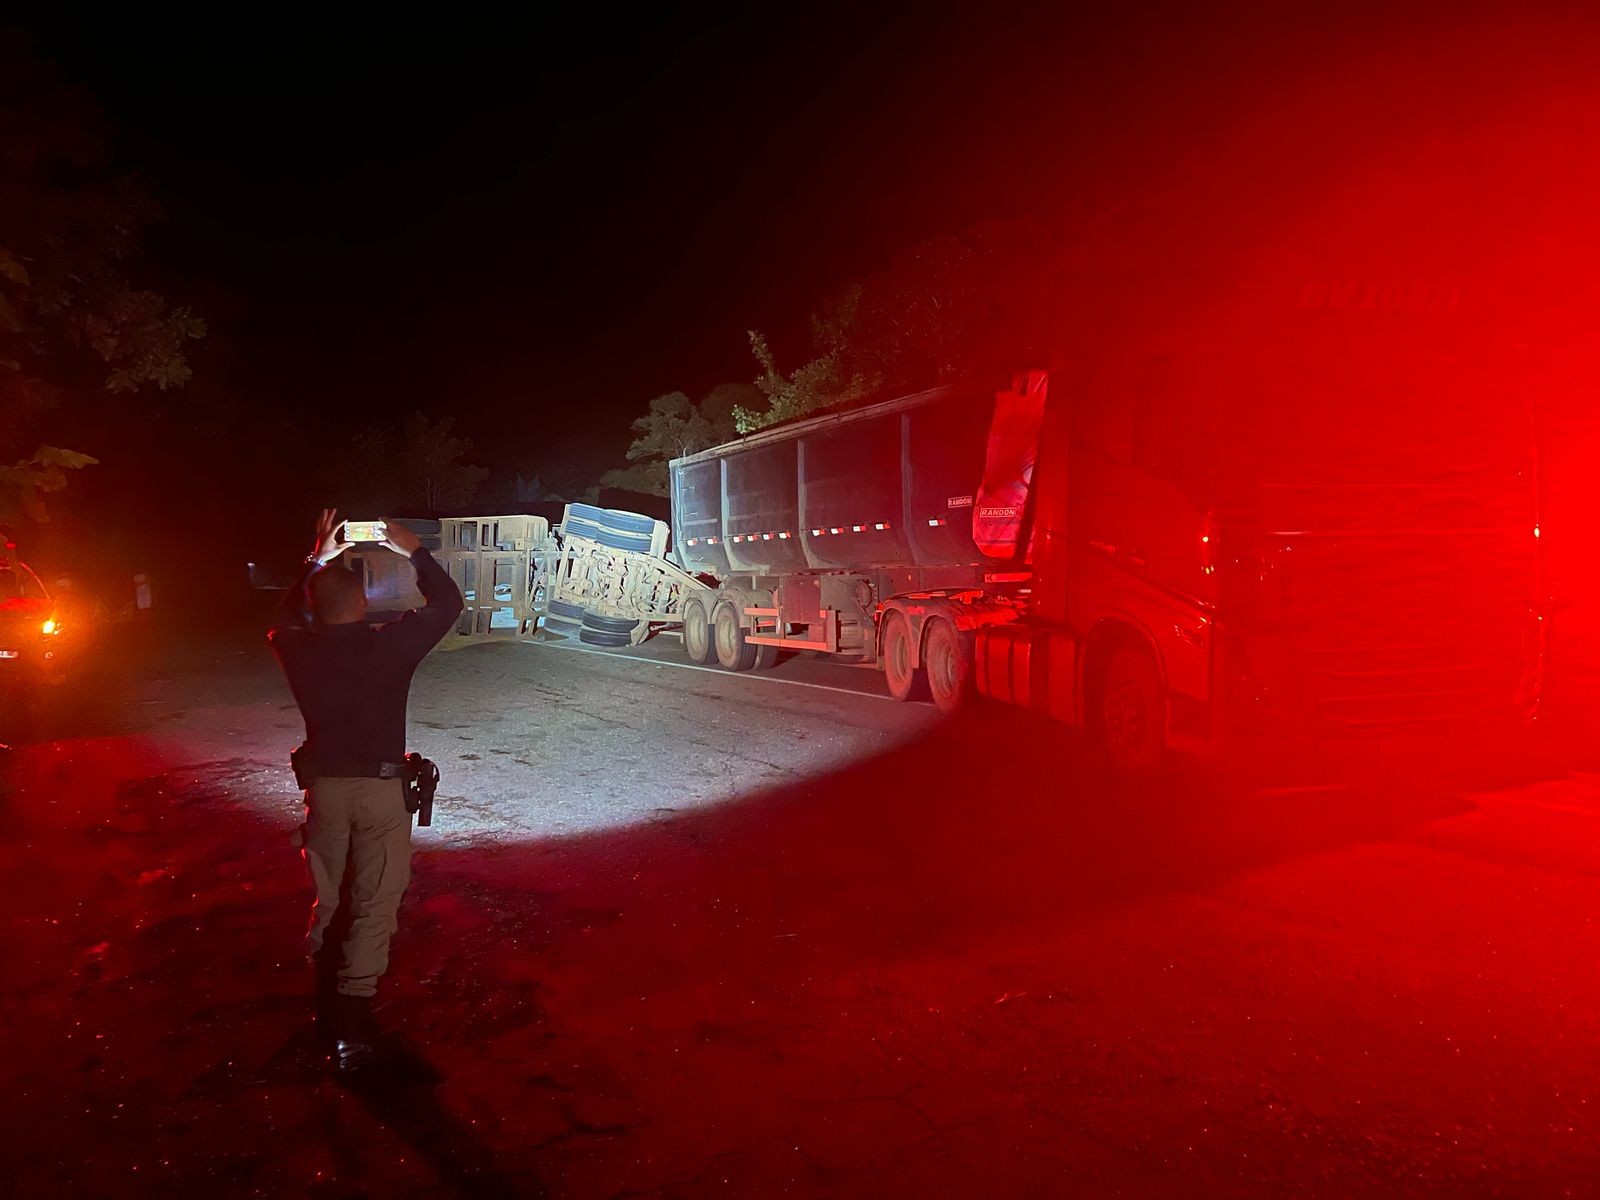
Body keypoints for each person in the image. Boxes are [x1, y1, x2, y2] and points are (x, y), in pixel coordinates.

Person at [268, 509, 463, 1071]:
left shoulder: (298, 649)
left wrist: (316, 559)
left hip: (324, 791)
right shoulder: (387, 647)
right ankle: (351, 1024)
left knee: (329, 897)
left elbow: (281, 617)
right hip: (379, 795)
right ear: (362, 603)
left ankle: (324, 1005)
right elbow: (447, 606)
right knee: (374, 901)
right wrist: (413, 551)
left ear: (318, 606)